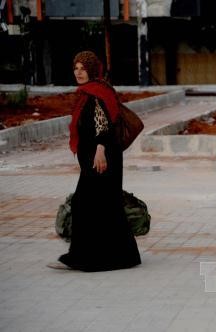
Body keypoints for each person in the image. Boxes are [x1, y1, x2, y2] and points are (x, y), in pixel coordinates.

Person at [47, 51, 141, 271]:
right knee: (106, 205)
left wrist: (100, 150)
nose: (79, 73)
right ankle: (123, 255)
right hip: (99, 158)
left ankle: (83, 257)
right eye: (76, 68)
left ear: (92, 69)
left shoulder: (97, 93)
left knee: (84, 204)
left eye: (83, 68)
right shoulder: (89, 93)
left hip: (102, 158)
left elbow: (104, 124)